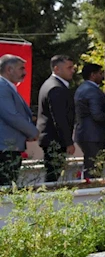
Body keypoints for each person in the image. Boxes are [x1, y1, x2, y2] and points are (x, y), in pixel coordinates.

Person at [37, 55, 76, 182]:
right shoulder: (56, 88)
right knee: (53, 175)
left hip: (53, 138)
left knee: (54, 174)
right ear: (57, 69)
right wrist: (68, 142)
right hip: (55, 139)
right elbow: (59, 118)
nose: (73, 70)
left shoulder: (53, 84)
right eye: (69, 67)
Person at [0, 55, 38, 185]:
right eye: (21, 68)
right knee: (6, 187)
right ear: (9, 70)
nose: (25, 72)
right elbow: (11, 115)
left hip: (9, 147)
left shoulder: (8, 87)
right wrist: (33, 132)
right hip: (5, 147)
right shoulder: (2, 86)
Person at [73, 63, 105, 178]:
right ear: (93, 75)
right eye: (100, 73)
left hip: (87, 134)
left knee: (92, 166)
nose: (102, 76)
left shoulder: (83, 88)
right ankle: (91, 187)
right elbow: (97, 115)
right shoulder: (91, 91)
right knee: (93, 169)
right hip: (93, 135)